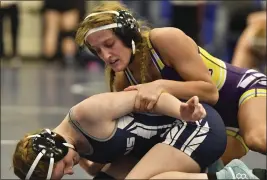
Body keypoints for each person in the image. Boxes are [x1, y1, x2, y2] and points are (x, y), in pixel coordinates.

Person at [75, 1, 266, 165]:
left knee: (257, 138)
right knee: (192, 165)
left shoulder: (163, 39)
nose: (106, 56)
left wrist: (160, 85)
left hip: (243, 91)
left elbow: (210, 92)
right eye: (97, 51)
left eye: (109, 44)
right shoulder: (121, 78)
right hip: (214, 122)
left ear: (128, 36)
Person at [12, 90, 227, 179]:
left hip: (196, 125)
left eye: (64, 166)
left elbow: (145, 98)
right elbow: (102, 164)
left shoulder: (86, 114)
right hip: (163, 142)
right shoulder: (76, 149)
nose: (70, 172)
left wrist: (181, 110)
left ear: (56, 148)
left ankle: (227, 178)